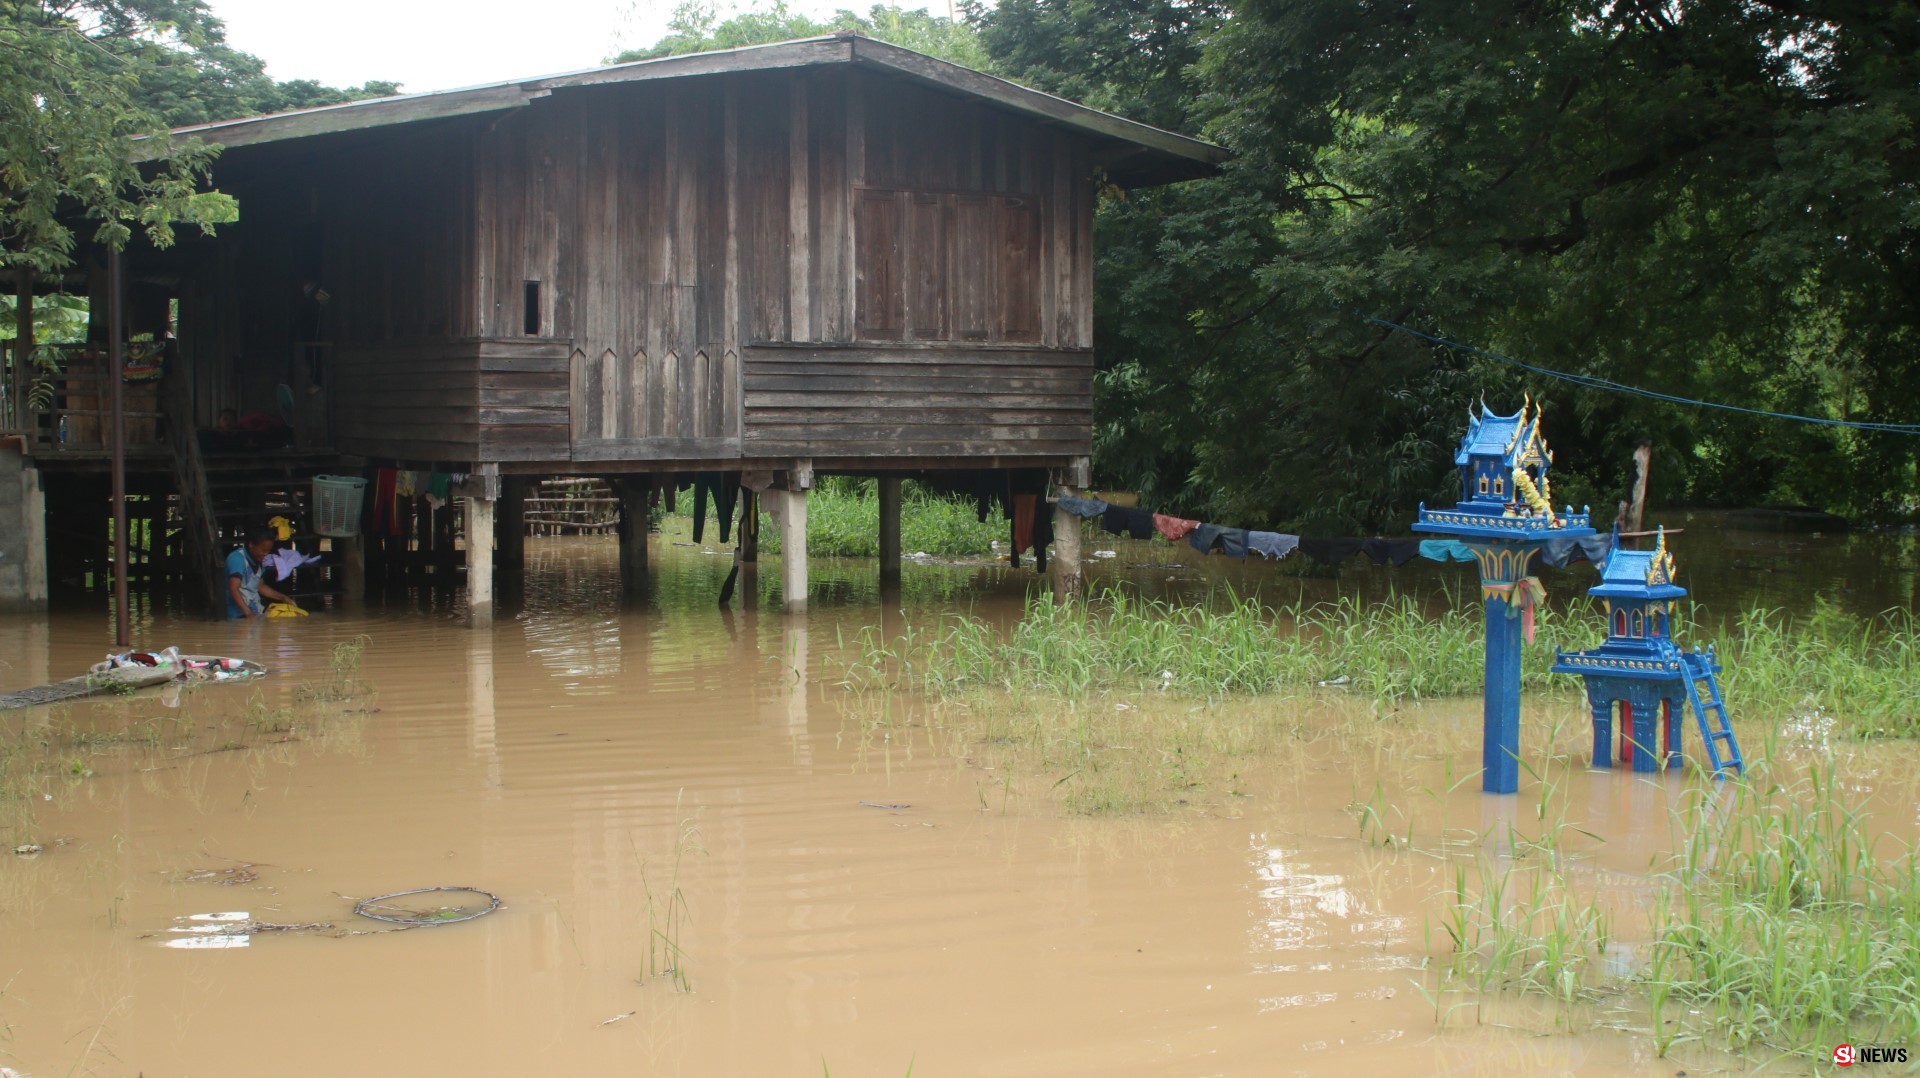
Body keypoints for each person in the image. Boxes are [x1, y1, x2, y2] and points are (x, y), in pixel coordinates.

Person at [226, 526, 293, 620]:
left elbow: (260, 587)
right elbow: (233, 588)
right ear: (251, 544)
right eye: (263, 550)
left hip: (254, 611)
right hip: (238, 615)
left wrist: (284, 598)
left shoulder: (260, 561)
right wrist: (248, 613)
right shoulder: (237, 559)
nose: (265, 554)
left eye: (268, 551)